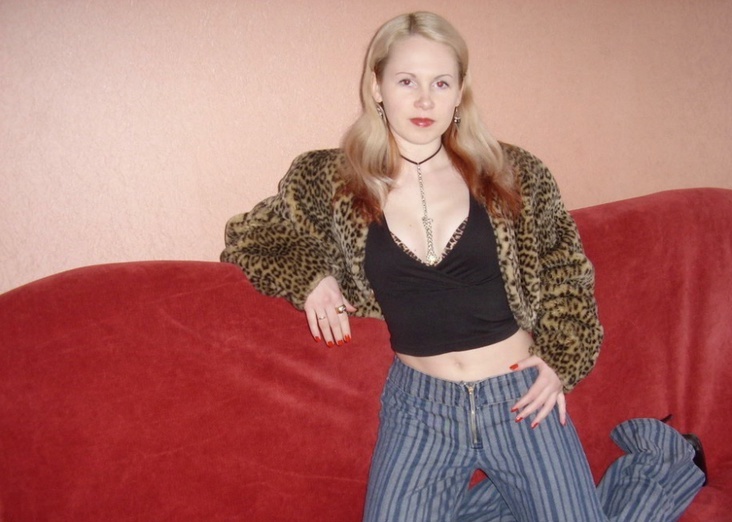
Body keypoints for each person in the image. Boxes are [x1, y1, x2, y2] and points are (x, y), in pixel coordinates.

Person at [221, 11, 705, 521]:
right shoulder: (332, 179)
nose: (425, 100)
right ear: (377, 87)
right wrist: (312, 279)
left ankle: (664, 465)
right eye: (406, 81)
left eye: (441, 83)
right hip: (419, 411)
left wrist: (560, 362)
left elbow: (566, 274)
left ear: (459, 92)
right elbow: (249, 235)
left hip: (518, 399)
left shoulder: (513, 173)